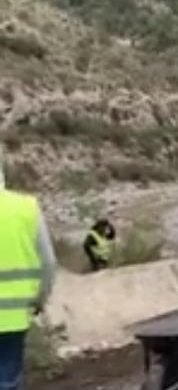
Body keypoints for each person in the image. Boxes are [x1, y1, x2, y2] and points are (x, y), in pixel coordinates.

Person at [0, 162, 58, 390]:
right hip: (15, 317)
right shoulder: (27, 208)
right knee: (7, 381)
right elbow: (49, 263)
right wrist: (41, 299)